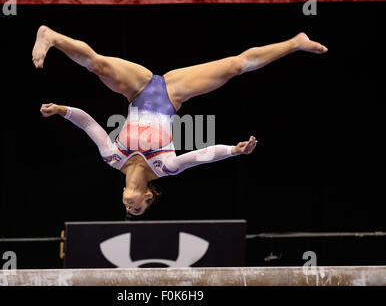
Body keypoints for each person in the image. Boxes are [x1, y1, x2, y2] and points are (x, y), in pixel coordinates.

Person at [33, 26, 327, 216]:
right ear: (148, 196)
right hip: (173, 94)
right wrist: (235, 151)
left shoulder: (113, 158)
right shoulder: (166, 167)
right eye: (139, 210)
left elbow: (88, 124)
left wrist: (60, 109)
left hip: (136, 89)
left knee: (96, 65)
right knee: (236, 66)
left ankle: (52, 37)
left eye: (131, 209)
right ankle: (294, 43)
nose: (131, 209)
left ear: (125, 194)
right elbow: (202, 156)